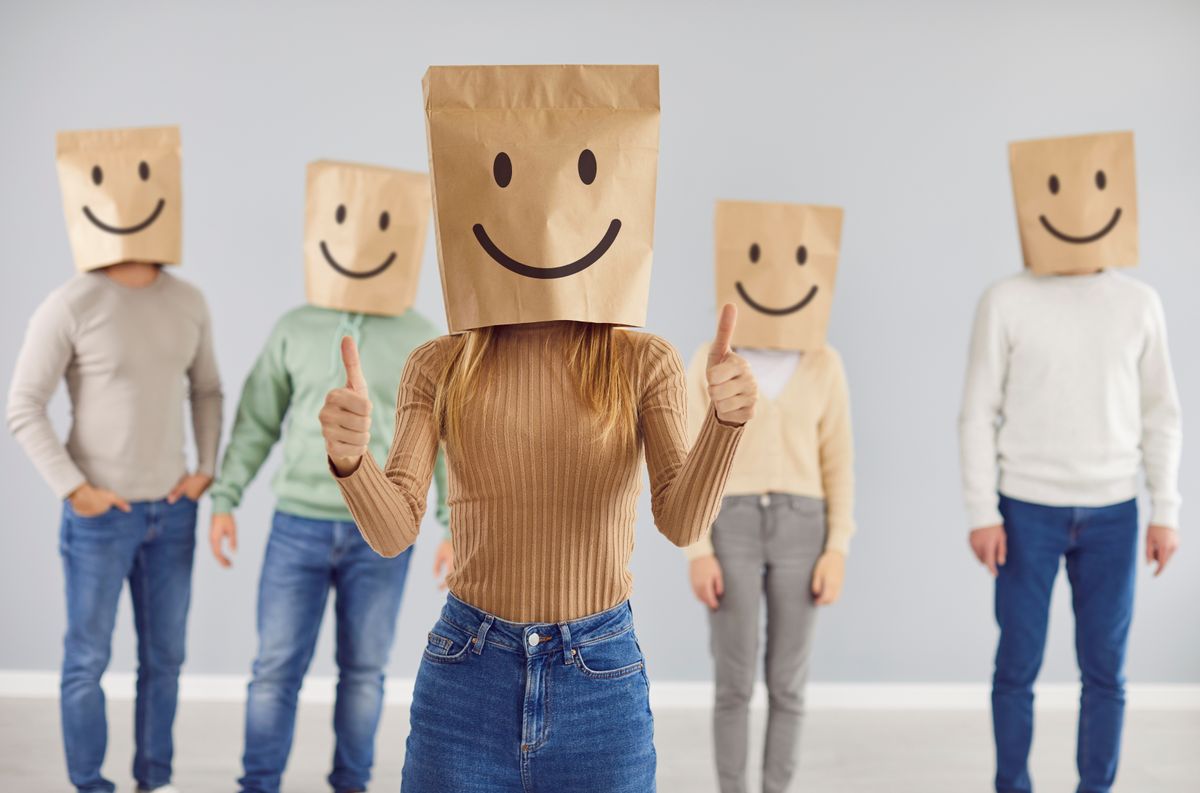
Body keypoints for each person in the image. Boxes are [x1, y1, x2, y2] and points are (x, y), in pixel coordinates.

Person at [318, 64, 756, 793]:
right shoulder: (439, 364)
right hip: (466, 672)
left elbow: (680, 520)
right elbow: (395, 531)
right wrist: (350, 459)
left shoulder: (641, 361)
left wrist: (726, 422)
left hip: (600, 679)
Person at [206, 161, 450, 793]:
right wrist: (225, 498)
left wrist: (453, 523)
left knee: (365, 671)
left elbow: (443, 445)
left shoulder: (425, 341)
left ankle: (352, 784)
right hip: (298, 524)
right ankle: (257, 784)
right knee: (274, 669)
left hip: (382, 530)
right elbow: (256, 420)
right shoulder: (295, 327)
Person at [960, 131, 1182, 793]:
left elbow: (1161, 413)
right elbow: (976, 411)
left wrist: (1165, 509)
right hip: (1024, 509)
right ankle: (1012, 784)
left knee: (1106, 670)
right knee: (1017, 665)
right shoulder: (1006, 299)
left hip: (1115, 510)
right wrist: (981, 509)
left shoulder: (1139, 304)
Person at [6, 125, 221, 793]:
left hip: (172, 514)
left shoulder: (188, 301)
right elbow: (23, 405)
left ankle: (152, 779)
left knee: (166, 659)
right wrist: (75, 490)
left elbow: (208, 388)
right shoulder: (71, 302)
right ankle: (90, 784)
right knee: (86, 659)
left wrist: (205, 467)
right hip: (100, 516)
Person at [685, 200, 855, 793]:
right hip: (727, 521)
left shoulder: (824, 363)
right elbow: (687, 461)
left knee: (788, 683)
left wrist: (838, 548)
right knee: (732, 682)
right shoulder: (709, 362)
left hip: (803, 526)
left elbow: (839, 464)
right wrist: (696, 550)